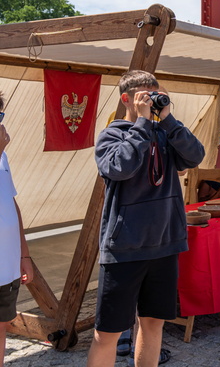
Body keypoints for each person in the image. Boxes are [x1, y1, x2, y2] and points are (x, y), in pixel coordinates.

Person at [87, 71, 205, 367]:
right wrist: (141, 124)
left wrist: (167, 120)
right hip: (125, 250)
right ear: (126, 99)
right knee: (107, 334)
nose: (150, 101)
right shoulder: (111, 135)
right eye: (144, 96)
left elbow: (195, 156)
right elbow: (120, 167)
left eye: (155, 95)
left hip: (164, 245)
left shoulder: (166, 133)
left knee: (153, 324)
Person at [0, 91, 33, 367]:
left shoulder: (1, 156)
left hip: (6, 266)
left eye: (0, 118)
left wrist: (25, 255)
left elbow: (11, 204)